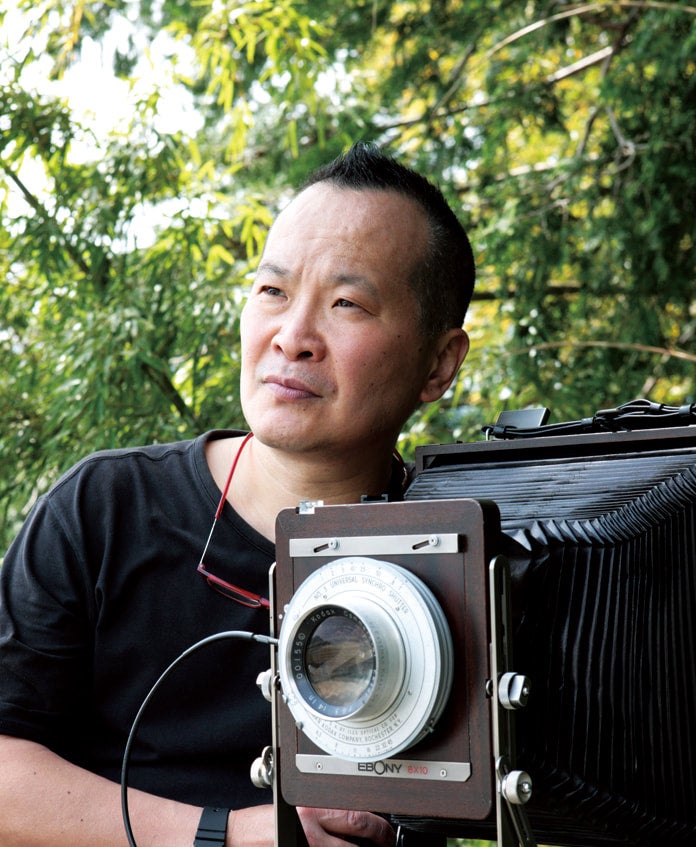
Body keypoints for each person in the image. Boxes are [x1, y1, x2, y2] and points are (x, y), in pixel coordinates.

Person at [0, 142, 475, 847]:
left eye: (346, 302)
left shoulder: (466, 562)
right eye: (272, 292)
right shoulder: (105, 508)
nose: (292, 336)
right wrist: (228, 836)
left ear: (438, 365)